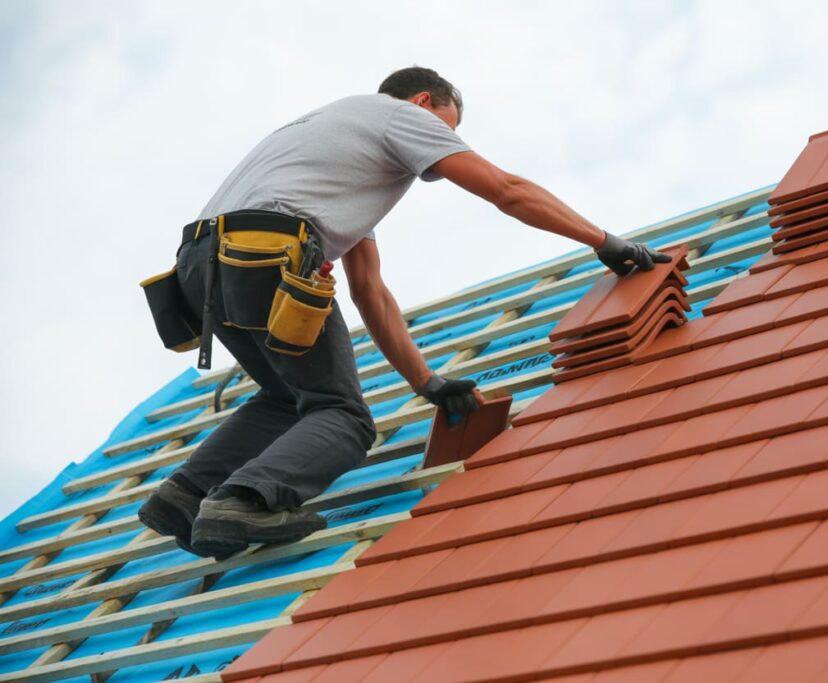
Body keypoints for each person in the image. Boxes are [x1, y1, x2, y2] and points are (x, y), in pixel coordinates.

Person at [138, 66, 670, 559]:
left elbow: (369, 290)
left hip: (201, 267)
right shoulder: (400, 116)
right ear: (422, 102)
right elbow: (507, 192)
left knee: (286, 398)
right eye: (448, 124)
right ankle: (242, 501)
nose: (447, 140)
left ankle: (184, 494)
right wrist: (604, 241)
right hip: (268, 252)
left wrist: (427, 382)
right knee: (342, 416)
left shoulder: (334, 153)